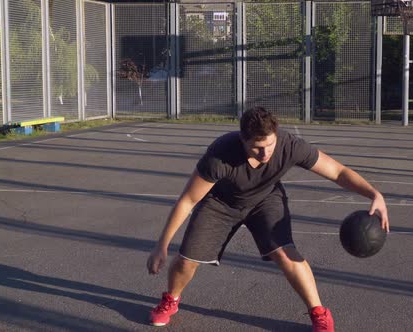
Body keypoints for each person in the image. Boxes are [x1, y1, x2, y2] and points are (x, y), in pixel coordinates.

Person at [147, 106, 390, 331]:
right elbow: (188, 200)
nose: (264, 153)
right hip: (221, 203)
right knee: (187, 260)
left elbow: (338, 172)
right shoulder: (220, 155)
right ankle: (171, 300)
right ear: (243, 139)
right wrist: (161, 245)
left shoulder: (289, 145)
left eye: (270, 145)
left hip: (265, 199)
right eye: (256, 147)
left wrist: (374, 194)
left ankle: (319, 312)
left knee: (285, 253)